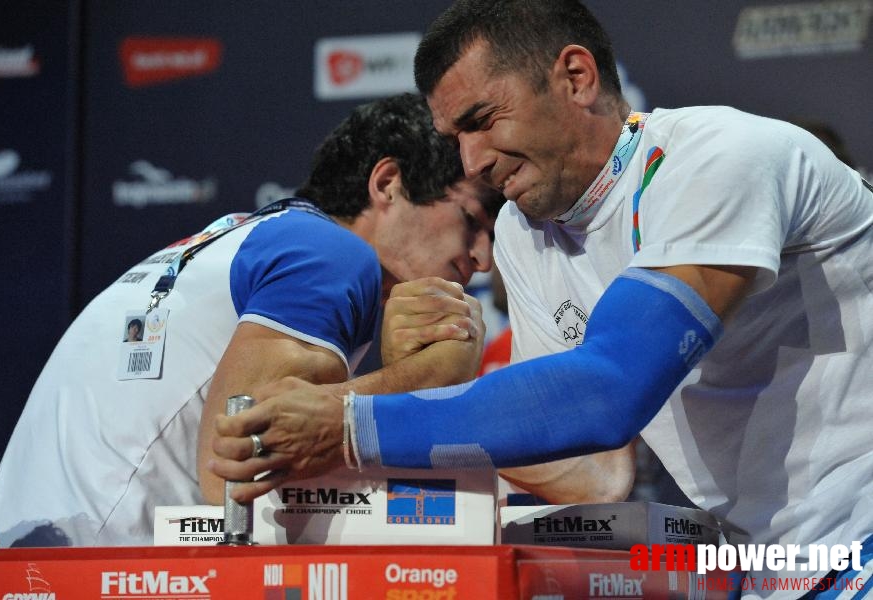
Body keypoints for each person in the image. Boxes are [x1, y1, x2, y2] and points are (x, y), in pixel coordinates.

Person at [208, 2, 873, 597]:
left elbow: (606, 393)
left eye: (480, 120)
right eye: (453, 139)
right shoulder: (522, 232)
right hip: (771, 566)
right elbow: (592, 472)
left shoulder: (722, 157)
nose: (469, 163)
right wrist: (428, 374)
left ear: (576, 77)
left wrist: (344, 421)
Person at [0, 92, 503, 548]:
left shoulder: (257, 235)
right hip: (94, 570)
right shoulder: (330, 253)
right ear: (387, 183)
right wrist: (433, 377)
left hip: (27, 558)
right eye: (473, 219)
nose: (483, 258)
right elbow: (238, 470)